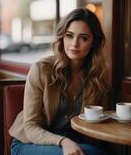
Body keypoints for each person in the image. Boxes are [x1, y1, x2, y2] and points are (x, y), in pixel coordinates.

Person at [9, 8, 111, 155]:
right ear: (62, 37)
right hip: (30, 142)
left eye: (83, 38)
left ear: (93, 42)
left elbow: (98, 123)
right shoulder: (41, 70)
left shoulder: (97, 76)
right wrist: (63, 142)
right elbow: (31, 127)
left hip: (72, 141)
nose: (74, 44)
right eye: (69, 35)